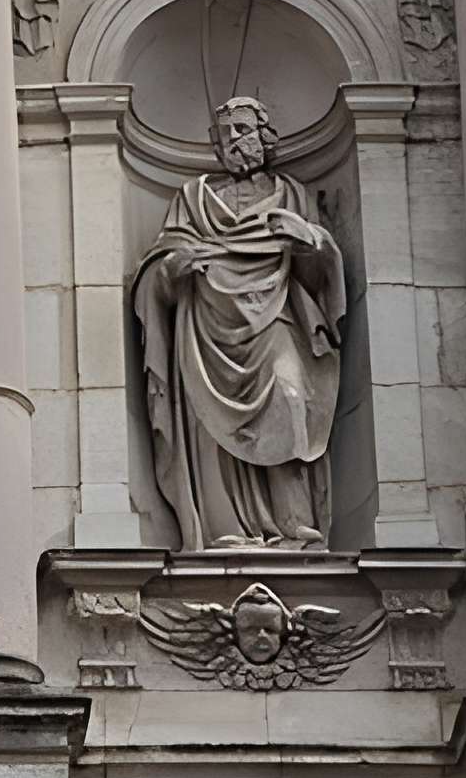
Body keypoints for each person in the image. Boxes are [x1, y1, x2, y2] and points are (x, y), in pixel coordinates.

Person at [131, 95, 347, 550]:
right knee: (209, 423)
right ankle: (223, 527)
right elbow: (157, 266)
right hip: (207, 324)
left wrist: (307, 239)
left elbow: (317, 278)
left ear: (265, 137)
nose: (234, 141)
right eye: (225, 134)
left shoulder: (291, 194)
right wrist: (174, 267)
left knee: (289, 398)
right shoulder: (194, 198)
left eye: (243, 131)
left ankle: (295, 523)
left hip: (275, 317)